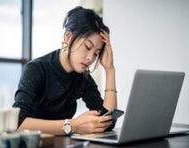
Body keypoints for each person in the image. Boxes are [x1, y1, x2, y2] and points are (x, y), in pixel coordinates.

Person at [13, 6, 117, 135]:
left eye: (96, 53)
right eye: (87, 47)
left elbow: (107, 122)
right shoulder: (36, 69)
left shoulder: (82, 77)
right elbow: (17, 122)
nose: (90, 58)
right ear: (68, 37)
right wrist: (72, 125)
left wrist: (110, 70)